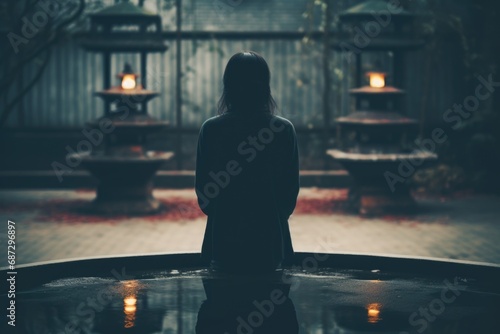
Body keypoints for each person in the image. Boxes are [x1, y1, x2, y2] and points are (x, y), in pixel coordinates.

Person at [195, 51, 300, 273]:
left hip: (222, 241)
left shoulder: (212, 130)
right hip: (270, 242)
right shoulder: (282, 131)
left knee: (222, 303)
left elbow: (205, 194)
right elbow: (289, 193)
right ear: (265, 86)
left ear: (228, 86)